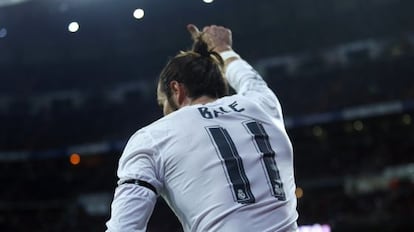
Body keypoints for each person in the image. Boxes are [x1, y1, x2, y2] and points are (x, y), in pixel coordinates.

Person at [106, 24, 299, 232]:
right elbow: (249, 79)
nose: (165, 112)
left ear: (176, 90)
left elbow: (124, 228)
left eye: (163, 104)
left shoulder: (152, 137)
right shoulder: (262, 105)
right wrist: (223, 48)